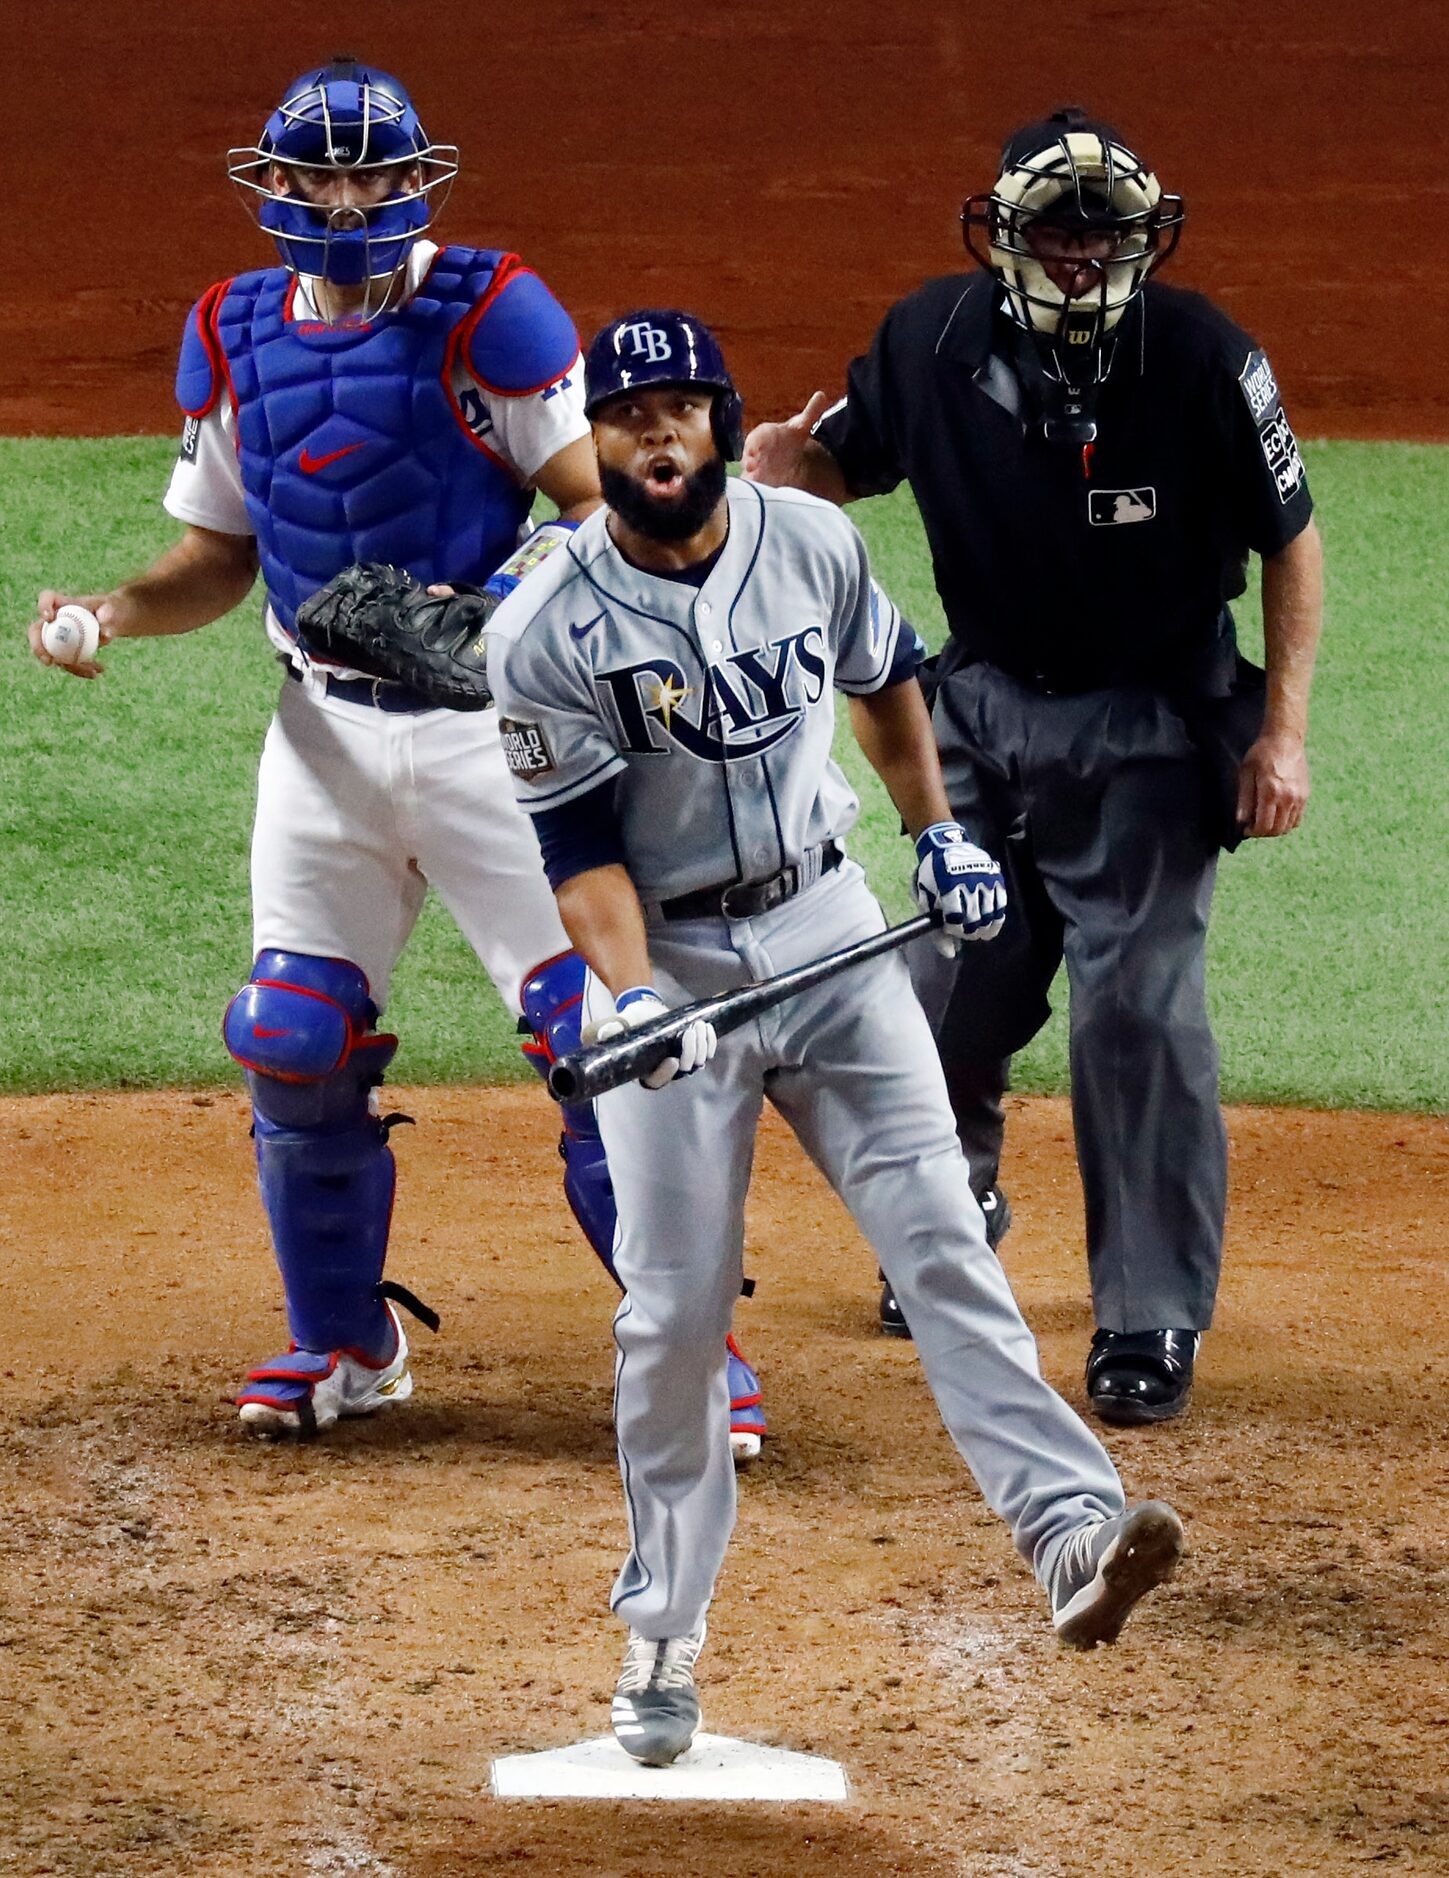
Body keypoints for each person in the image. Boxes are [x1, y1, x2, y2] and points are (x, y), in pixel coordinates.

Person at [26, 59, 766, 1457]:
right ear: (279, 187)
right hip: (321, 740)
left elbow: (594, 511)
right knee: (291, 1037)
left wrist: (489, 612)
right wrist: (111, 608)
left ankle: (689, 1350)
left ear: (417, 182)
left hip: (499, 742)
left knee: (603, 1040)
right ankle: (342, 1344)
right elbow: (220, 556)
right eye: (322, 177)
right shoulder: (231, 329)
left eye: (375, 175)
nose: (349, 200)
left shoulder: (488, 312)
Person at [487, 308, 1185, 1767]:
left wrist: (936, 834)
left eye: (683, 410)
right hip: (671, 958)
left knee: (938, 1235)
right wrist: (624, 997)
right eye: (627, 417)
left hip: (828, 931)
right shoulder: (545, 629)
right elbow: (581, 851)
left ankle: (1069, 1534)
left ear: (720, 426)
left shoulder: (808, 544)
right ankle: (661, 1634)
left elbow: (883, 681)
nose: (657, 437)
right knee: (671, 1312)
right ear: (595, 442)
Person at [743, 107, 1324, 1426]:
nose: (1078, 253)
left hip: (1150, 728)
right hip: (982, 711)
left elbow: (1291, 538)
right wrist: (796, 468)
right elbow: (849, 457)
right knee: (941, 986)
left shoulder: (1201, 360)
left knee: (1136, 1016)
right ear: (1004, 236)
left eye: (1102, 229)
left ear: (1142, 240)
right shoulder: (929, 339)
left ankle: (1146, 1310)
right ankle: (955, 1214)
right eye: (1055, 228)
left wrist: (1279, 728)